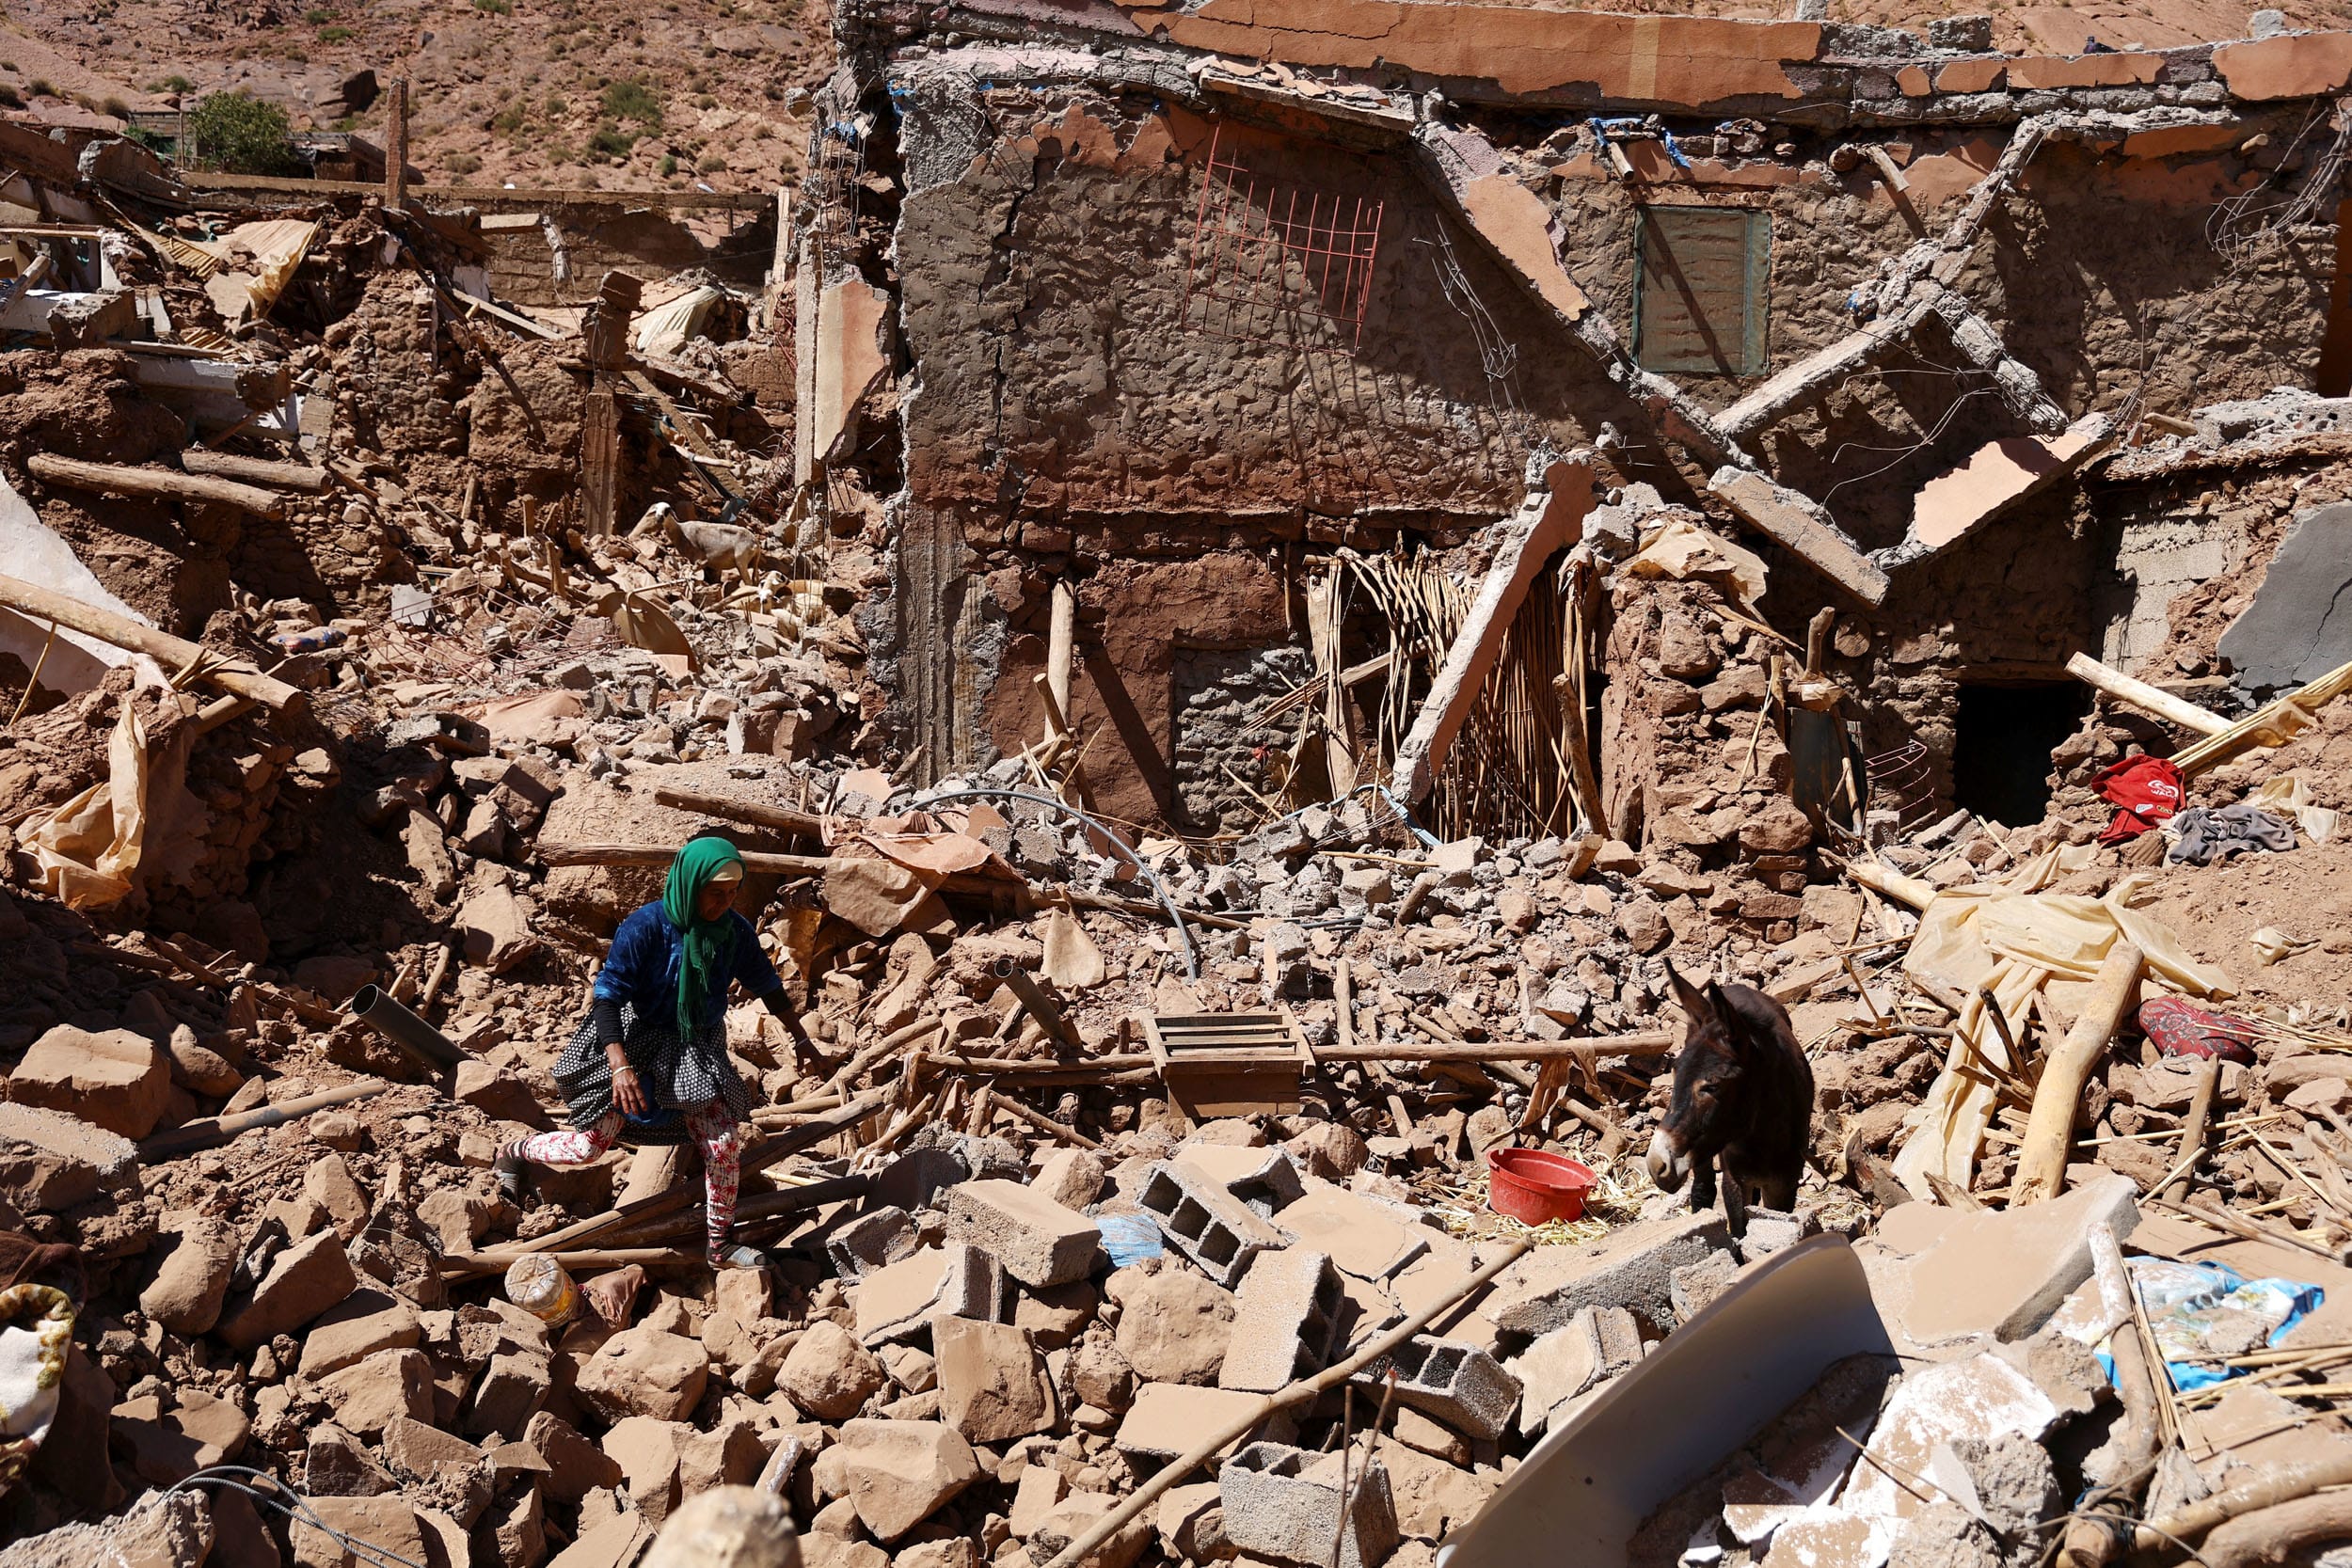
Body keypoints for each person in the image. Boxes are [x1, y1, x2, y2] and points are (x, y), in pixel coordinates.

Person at [497, 834, 812, 1268]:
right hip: (637, 1042)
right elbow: (607, 994)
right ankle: (515, 1152)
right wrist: (619, 1066)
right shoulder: (646, 926)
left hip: (696, 1047)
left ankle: (719, 1245)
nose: (726, 902)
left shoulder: (732, 932)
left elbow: (767, 985)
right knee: (590, 1147)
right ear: (690, 884)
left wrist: (801, 1037)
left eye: (733, 892)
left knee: (722, 1145)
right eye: (715, 893)